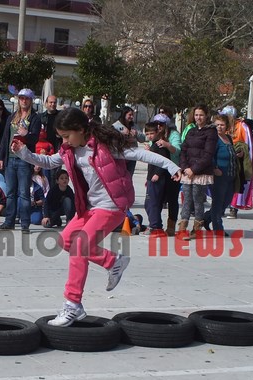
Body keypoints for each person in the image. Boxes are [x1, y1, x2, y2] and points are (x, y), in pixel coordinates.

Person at [10, 107, 181, 326]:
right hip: (90, 207)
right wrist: (23, 153)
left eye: (67, 136)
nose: (64, 141)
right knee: (66, 240)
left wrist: (171, 166)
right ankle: (113, 261)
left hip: (112, 206)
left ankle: (73, 304)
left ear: (81, 129)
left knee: (80, 245)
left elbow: (140, 154)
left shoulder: (106, 146)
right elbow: (49, 162)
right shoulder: (70, 150)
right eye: (61, 137)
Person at [0, 88, 41, 233]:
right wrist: (1, 157)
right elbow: (5, 138)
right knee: (10, 192)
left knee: (24, 193)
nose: (24, 101)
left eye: (26, 98)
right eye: (21, 98)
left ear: (31, 100)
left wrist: (27, 134)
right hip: (10, 159)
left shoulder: (34, 118)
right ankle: (9, 221)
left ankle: (25, 224)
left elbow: (35, 139)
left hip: (24, 160)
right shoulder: (12, 117)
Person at [178, 105, 217, 239]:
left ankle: (197, 229)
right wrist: (185, 167)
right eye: (196, 115)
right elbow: (183, 150)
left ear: (206, 116)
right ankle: (182, 227)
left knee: (197, 200)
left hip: (200, 172)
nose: (198, 118)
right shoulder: (191, 131)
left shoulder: (211, 132)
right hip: (187, 171)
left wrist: (194, 169)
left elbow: (208, 154)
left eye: (201, 115)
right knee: (186, 200)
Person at [204, 114, 238, 235]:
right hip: (218, 176)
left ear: (226, 126)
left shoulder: (228, 138)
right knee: (218, 203)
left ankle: (207, 217)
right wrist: (214, 168)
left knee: (226, 201)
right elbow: (209, 155)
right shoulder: (213, 139)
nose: (219, 127)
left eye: (222, 125)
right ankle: (218, 229)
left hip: (230, 175)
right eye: (217, 125)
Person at [143, 121, 172, 235]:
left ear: (157, 132)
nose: (149, 136)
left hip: (157, 178)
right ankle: (156, 225)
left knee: (152, 203)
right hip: (151, 178)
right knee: (149, 203)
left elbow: (164, 161)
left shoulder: (160, 145)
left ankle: (155, 227)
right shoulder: (154, 145)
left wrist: (158, 174)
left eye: (152, 133)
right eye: (147, 134)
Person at [153, 113, 181, 236]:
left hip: (172, 171)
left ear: (166, 125)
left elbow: (177, 151)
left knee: (172, 199)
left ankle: (171, 225)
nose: (158, 126)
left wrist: (167, 145)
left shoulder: (174, 135)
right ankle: (156, 224)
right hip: (159, 171)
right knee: (157, 199)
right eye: (156, 124)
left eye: (161, 124)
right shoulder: (155, 134)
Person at [112, 106, 146, 176]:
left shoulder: (134, 126)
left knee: (129, 175)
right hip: (120, 155)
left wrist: (136, 134)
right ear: (124, 114)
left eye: (132, 115)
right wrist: (122, 135)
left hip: (132, 155)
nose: (132, 117)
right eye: (129, 115)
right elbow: (111, 139)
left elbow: (142, 139)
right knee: (120, 176)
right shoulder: (115, 126)